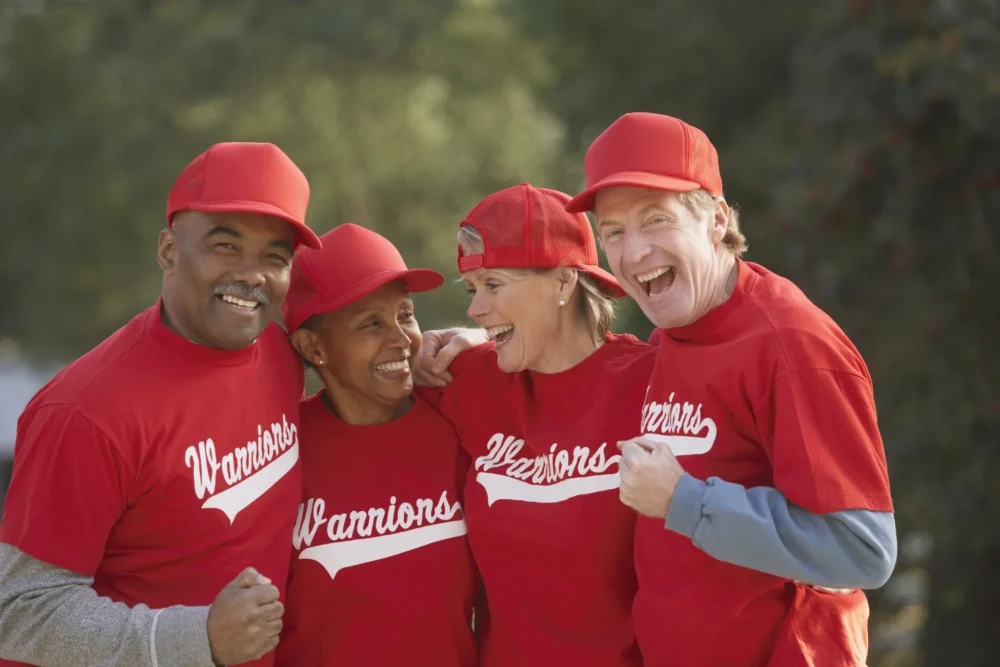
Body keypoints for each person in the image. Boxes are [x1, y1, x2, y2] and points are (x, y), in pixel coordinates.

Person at [564, 111, 897, 666]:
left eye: (655, 220)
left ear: (716, 219)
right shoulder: (674, 328)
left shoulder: (793, 346)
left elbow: (863, 550)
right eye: (614, 233)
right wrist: (491, 341)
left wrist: (684, 501)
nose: (634, 252)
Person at [0, 142, 320, 667]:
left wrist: (445, 347)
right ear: (169, 251)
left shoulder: (281, 355)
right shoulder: (85, 412)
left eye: (275, 256)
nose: (252, 274)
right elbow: (17, 612)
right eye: (225, 245)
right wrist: (195, 636)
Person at [416, 183, 654, 667]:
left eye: (495, 285)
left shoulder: (652, 383)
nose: (474, 309)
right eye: (473, 289)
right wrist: (415, 351)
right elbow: (364, 399)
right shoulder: (467, 379)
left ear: (565, 282)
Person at [273, 223, 478, 667]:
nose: (402, 339)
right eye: (371, 323)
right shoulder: (276, 453)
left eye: (405, 314)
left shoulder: (457, 423)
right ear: (312, 345)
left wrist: (479, 338)